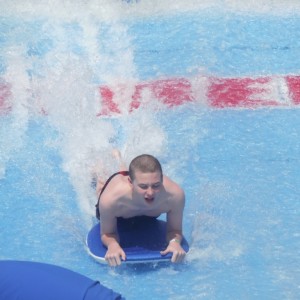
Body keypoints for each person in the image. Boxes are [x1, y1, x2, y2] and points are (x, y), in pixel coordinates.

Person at [95, 151, 186, 267]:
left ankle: (119, 159)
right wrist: (112, 245)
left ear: (162, 179)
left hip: (143, 210)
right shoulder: (112, 199)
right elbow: (107, 233)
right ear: (130, 183)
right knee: (100, 184)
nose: (150, 193)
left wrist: (175, 242)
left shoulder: (174, 196)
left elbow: (175, 230)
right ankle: (108, 161)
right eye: (143, 187)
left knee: (129, 174)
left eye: (156, 185)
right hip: (117, 197)